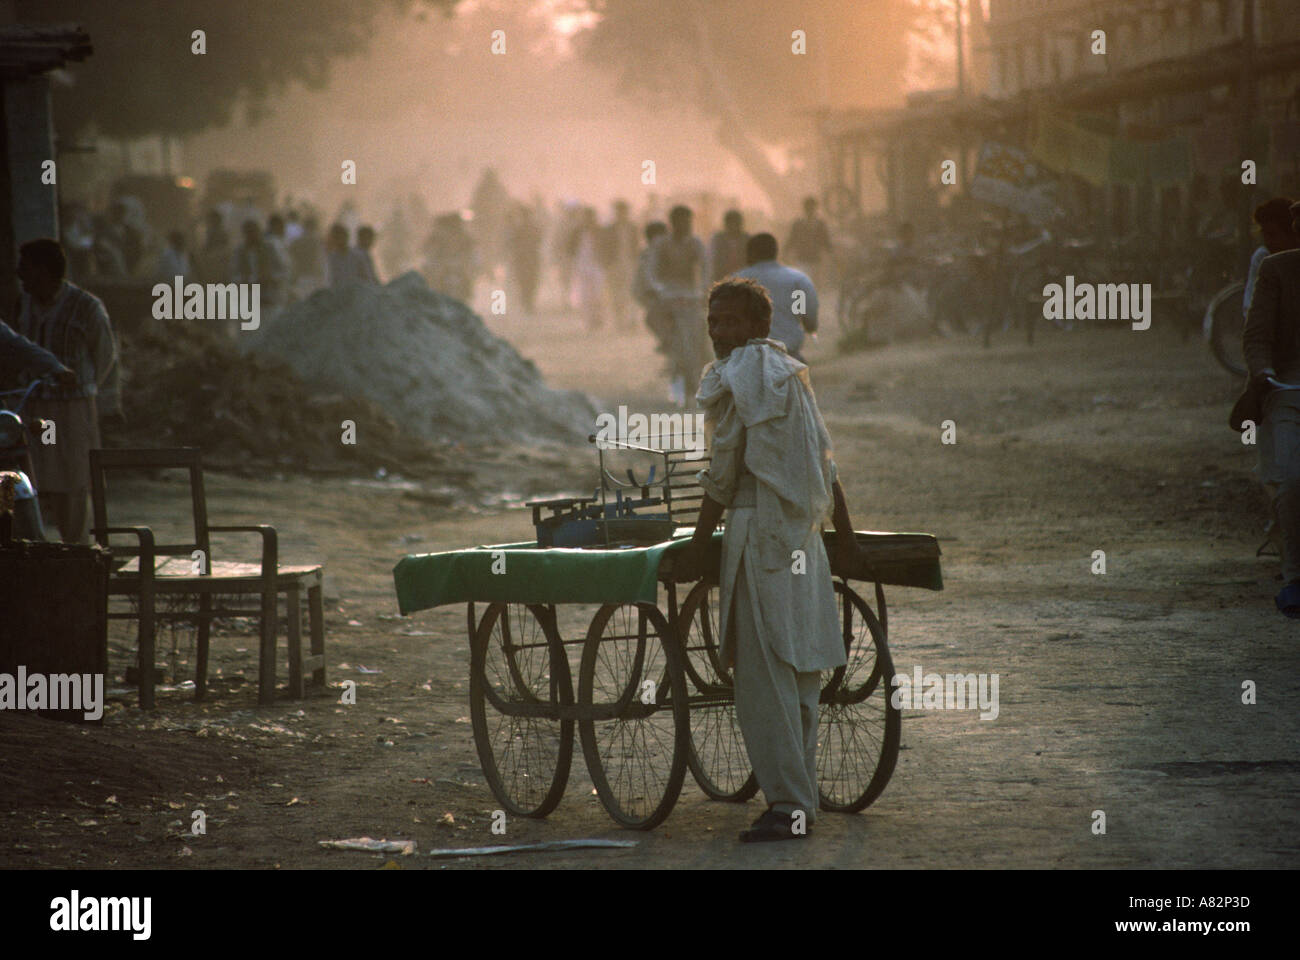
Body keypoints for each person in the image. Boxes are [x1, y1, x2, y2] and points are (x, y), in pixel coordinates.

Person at [676, 276, 868, 842]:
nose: (718, 332)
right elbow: (824, 462)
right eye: (713, 322)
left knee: (763, 679)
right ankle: (800, 797)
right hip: (802, 538)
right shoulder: (789, 372)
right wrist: (847, 537)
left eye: (730, 322)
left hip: (760, 535)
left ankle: (788, 806)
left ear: (760, 326)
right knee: (799, 670)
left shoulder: (742, 377)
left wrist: (695, 543)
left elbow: (724, 471)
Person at [12, 239, 121, 543]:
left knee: (72, 482)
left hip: (72, 410)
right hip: (35, 408)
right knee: (31, 478)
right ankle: (32, 553)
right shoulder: (25, 304)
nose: (20, 274)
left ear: (44, 270)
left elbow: (105, 356)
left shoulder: (86, 307)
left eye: (26, 268)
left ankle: (77, 551)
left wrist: (87, 390)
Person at [1243, 200, 1300, 617]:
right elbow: (1256, 334)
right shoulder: (1276, 270)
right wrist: (1263, 371)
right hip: (1288, 384)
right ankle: (1294, 575)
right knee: (1292, 479)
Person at [647, 205, 709, 406]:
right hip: (668, 296)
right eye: (682, 221)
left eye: (689, 221)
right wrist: (658, 288)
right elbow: (652, 271)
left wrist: (703, 290)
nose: (687, 225)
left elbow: (706, 267)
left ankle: (697, 382)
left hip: (690, 296)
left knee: (701, 337)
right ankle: (664, 341)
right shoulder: (661, 244)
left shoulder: (695, 243)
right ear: (672, 223)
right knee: (651, 318)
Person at [734, 233, 818, 363]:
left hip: (750, 359)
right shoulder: (796, 280)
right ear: (775, 252)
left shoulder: (737, 281)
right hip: (788, 356)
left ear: (751, 254)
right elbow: (807, 318)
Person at [1244, 197, 1298, 316]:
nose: (1268, 242)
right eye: (1265, 235)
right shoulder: (1263, 257)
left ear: (1291, 234)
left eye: (1273, 235)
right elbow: (1251, 308)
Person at [600, 200, 640, 330]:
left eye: (623, 211)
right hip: (614, 265)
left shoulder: (633, 228)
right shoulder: (609, 229)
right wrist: (606, 264)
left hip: (629, 264)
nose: (621, 214)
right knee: (615, 294)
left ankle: (631, 320)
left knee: (630, 293)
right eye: (619, 211)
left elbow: (636, 246)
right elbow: (604, 247)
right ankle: (619, 321)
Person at [568, 206, 606, 330]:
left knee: (597, 294)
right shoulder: (576, 231)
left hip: (597, 265)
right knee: (585, 295)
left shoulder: (600, 230)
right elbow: (570, 249)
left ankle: (597, 319)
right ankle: (588, 321)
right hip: (581, 266)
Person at [786, 196, 833, 291]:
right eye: (809, 208)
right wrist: (786, 251)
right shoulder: (798, 224)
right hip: (803, 258)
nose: (810, 210)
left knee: (812, 286)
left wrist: (831, 253)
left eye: (812, 208)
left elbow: (825, 240)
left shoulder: (819, 224)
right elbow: (792, 239)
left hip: (815, 259)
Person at [709, 209, 749, 283]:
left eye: (736, 223)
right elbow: (713, 260)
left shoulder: (747, 239)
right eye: (731, 223)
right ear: (726, 224)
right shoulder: (718, 239)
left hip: (743, 278)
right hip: (722, 278)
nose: (733, 226)